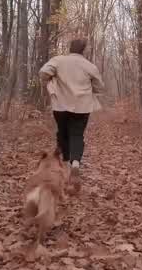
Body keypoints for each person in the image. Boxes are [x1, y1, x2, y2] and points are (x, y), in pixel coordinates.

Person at [39, 38, 104, 175]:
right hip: (82, 107)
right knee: (77, 134)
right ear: (83, 50)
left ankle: (65, 163)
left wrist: (51, 79)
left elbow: (43, 72)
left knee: (62, 133)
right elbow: (99, 87)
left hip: (60, 105)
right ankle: (75, 164)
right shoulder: (89, 66)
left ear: (70, 48)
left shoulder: (58, 60)